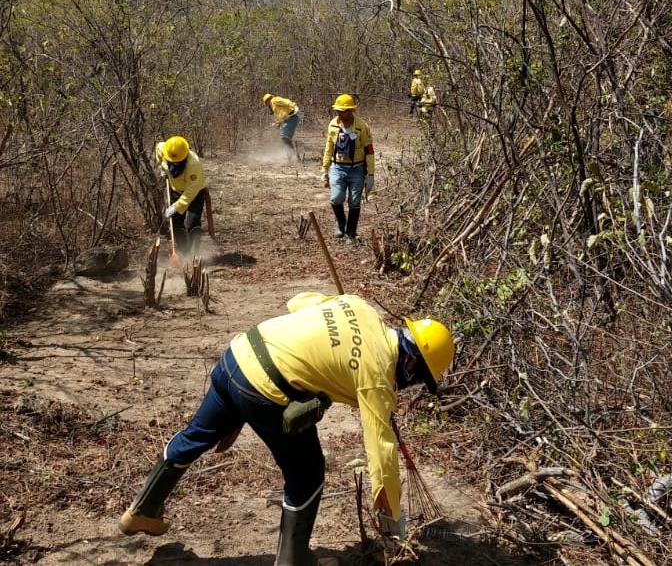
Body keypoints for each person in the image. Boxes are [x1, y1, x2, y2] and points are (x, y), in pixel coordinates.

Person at [118, 291, 455, 566]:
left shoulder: (361, 307)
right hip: (263, 389)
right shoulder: (378, 375)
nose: (410, 385)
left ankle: (142, 511)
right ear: (411, 363)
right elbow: (381, 453)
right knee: (308, 474)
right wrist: (393, 523)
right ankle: (293, 561)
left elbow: (299, 302)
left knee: (194, 437)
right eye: (418, 379)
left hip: (237, 355)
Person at [320, 94, 374, 243]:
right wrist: (324, 170)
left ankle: (351, 233)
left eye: (342, 111)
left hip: (357, 169)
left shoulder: (362, 127)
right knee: (336, 198)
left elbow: (369, 150)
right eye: (337, 111)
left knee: (355, 202)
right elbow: (329, 147)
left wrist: (371, 174)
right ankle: (340, 222)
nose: (339, 114)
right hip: (338, 167)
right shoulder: (333, 125)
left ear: (351, 111)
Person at [155, 135, 208, 258]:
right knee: (176, 222)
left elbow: (191, 191)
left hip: (195, 192)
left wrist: (176, 206)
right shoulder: (164, 149)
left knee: (192, 221)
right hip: (175, 190)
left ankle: (195, 256)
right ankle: (184, 254)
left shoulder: (193, 164)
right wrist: (160, 167)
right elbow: (158, 148)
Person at [262, 93, 302, 161]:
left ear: (267, 101)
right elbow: (281, 117)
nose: (267, 105)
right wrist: (277, 124)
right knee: (285, 138)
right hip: (288, 120)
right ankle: (292, 155)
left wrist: (294, 106)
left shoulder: (274, 100)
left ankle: (292, 154)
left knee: (284, 136)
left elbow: (285, 101)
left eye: (266, 103)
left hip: (292, 118)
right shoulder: (274, 106)